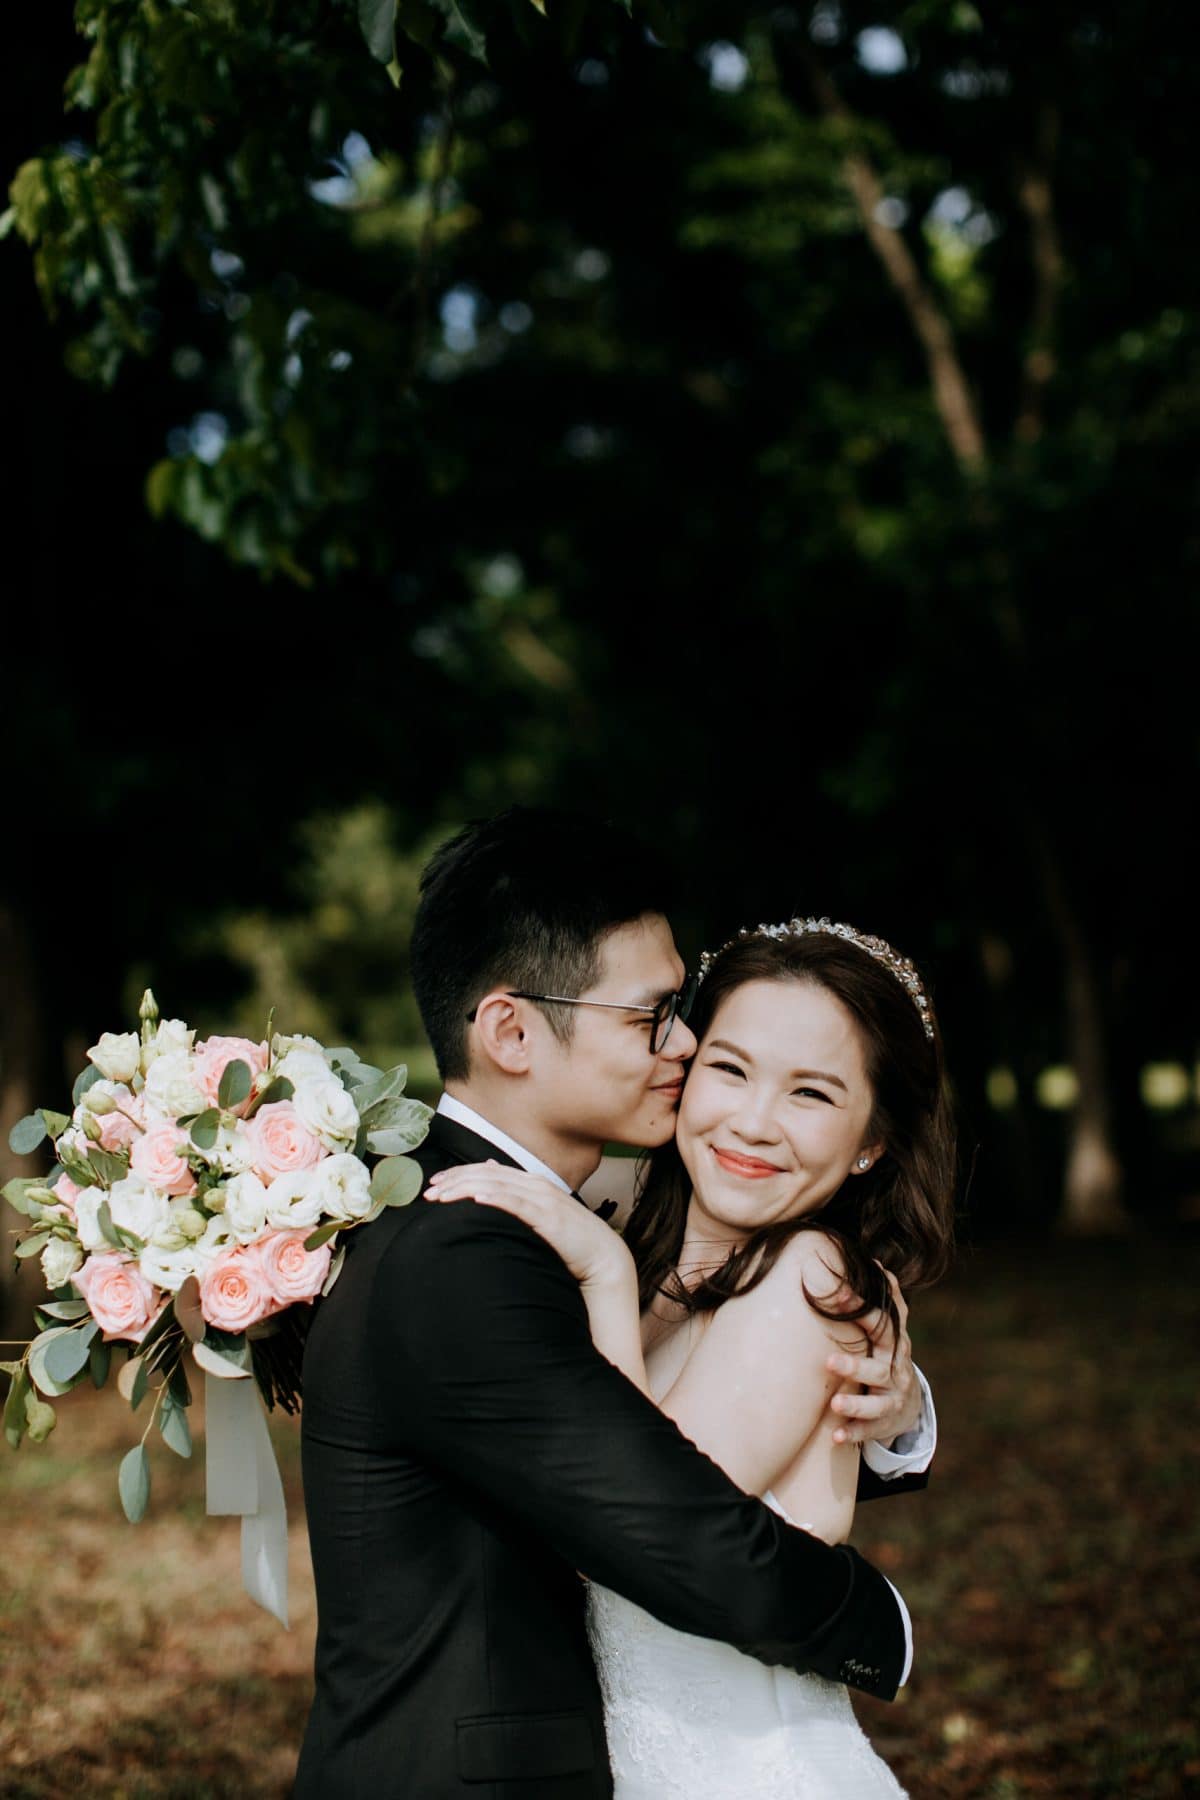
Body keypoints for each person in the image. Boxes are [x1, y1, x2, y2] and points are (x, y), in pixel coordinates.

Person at [295, 808, 937, 1799]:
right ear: (510, 1030)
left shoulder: (547, 1211)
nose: (681, 1047)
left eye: (685, 1013)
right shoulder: (470, 1241)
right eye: (654, 1019)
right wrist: (877, 1625)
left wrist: (894, 1412)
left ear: (869, 1141)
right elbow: (671, 1527)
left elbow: (751, 1371)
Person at [428, 916, 956, 1796]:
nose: (752, 1124)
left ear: (871, 1142)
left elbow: (633, 1531)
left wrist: (598, 1273)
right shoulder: (630, 1217)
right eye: (731, 1068)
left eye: (812, 1095)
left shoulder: (813, 1276)